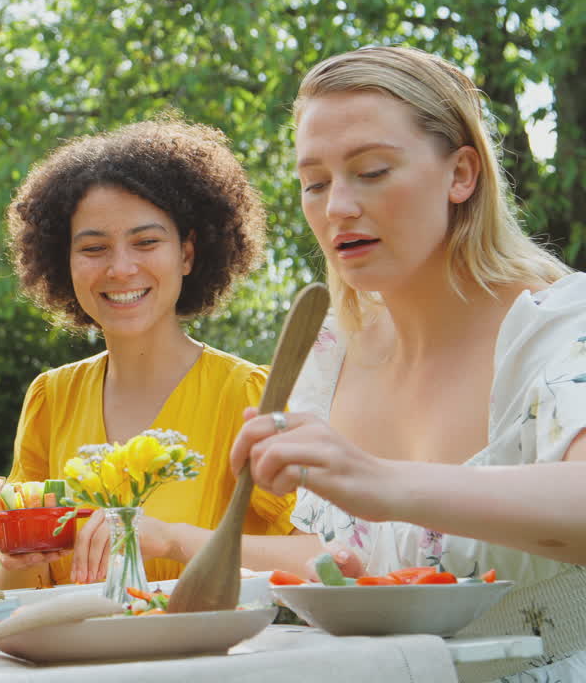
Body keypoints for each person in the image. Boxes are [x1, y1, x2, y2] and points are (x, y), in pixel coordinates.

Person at [230, 46, 586, 682]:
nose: (336, 206)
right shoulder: (330, 352)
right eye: (314, 182)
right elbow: (337, 555)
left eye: (371, 170)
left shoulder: (562, 322)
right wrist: (176, 542)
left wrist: (382, 479)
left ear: (461, 175)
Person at [0, 117, 297, 589]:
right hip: (75, 663)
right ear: (63, 261)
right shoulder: (50, 398)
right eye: (93, 248)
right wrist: (16, 558)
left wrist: (172, 539)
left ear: (187, 254)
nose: (121, 268)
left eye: (146, 242)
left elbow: (329, 558)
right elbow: (20, 597)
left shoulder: (251, 396)